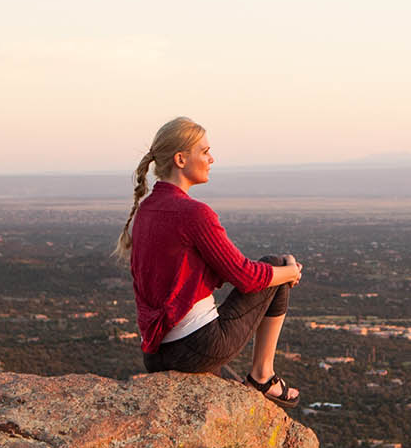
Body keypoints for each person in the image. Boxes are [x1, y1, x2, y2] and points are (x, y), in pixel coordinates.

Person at [120, 116, 303, 406]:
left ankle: (260, 376)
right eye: (204, 152)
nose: (211, 158)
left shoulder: (147, 210)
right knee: (275, 263)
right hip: (197, 346)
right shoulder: (193, 213)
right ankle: (263, 375)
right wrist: (290, 271)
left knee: (274, 268)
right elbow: (247, 277)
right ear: (181, 159)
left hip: (155, 354)